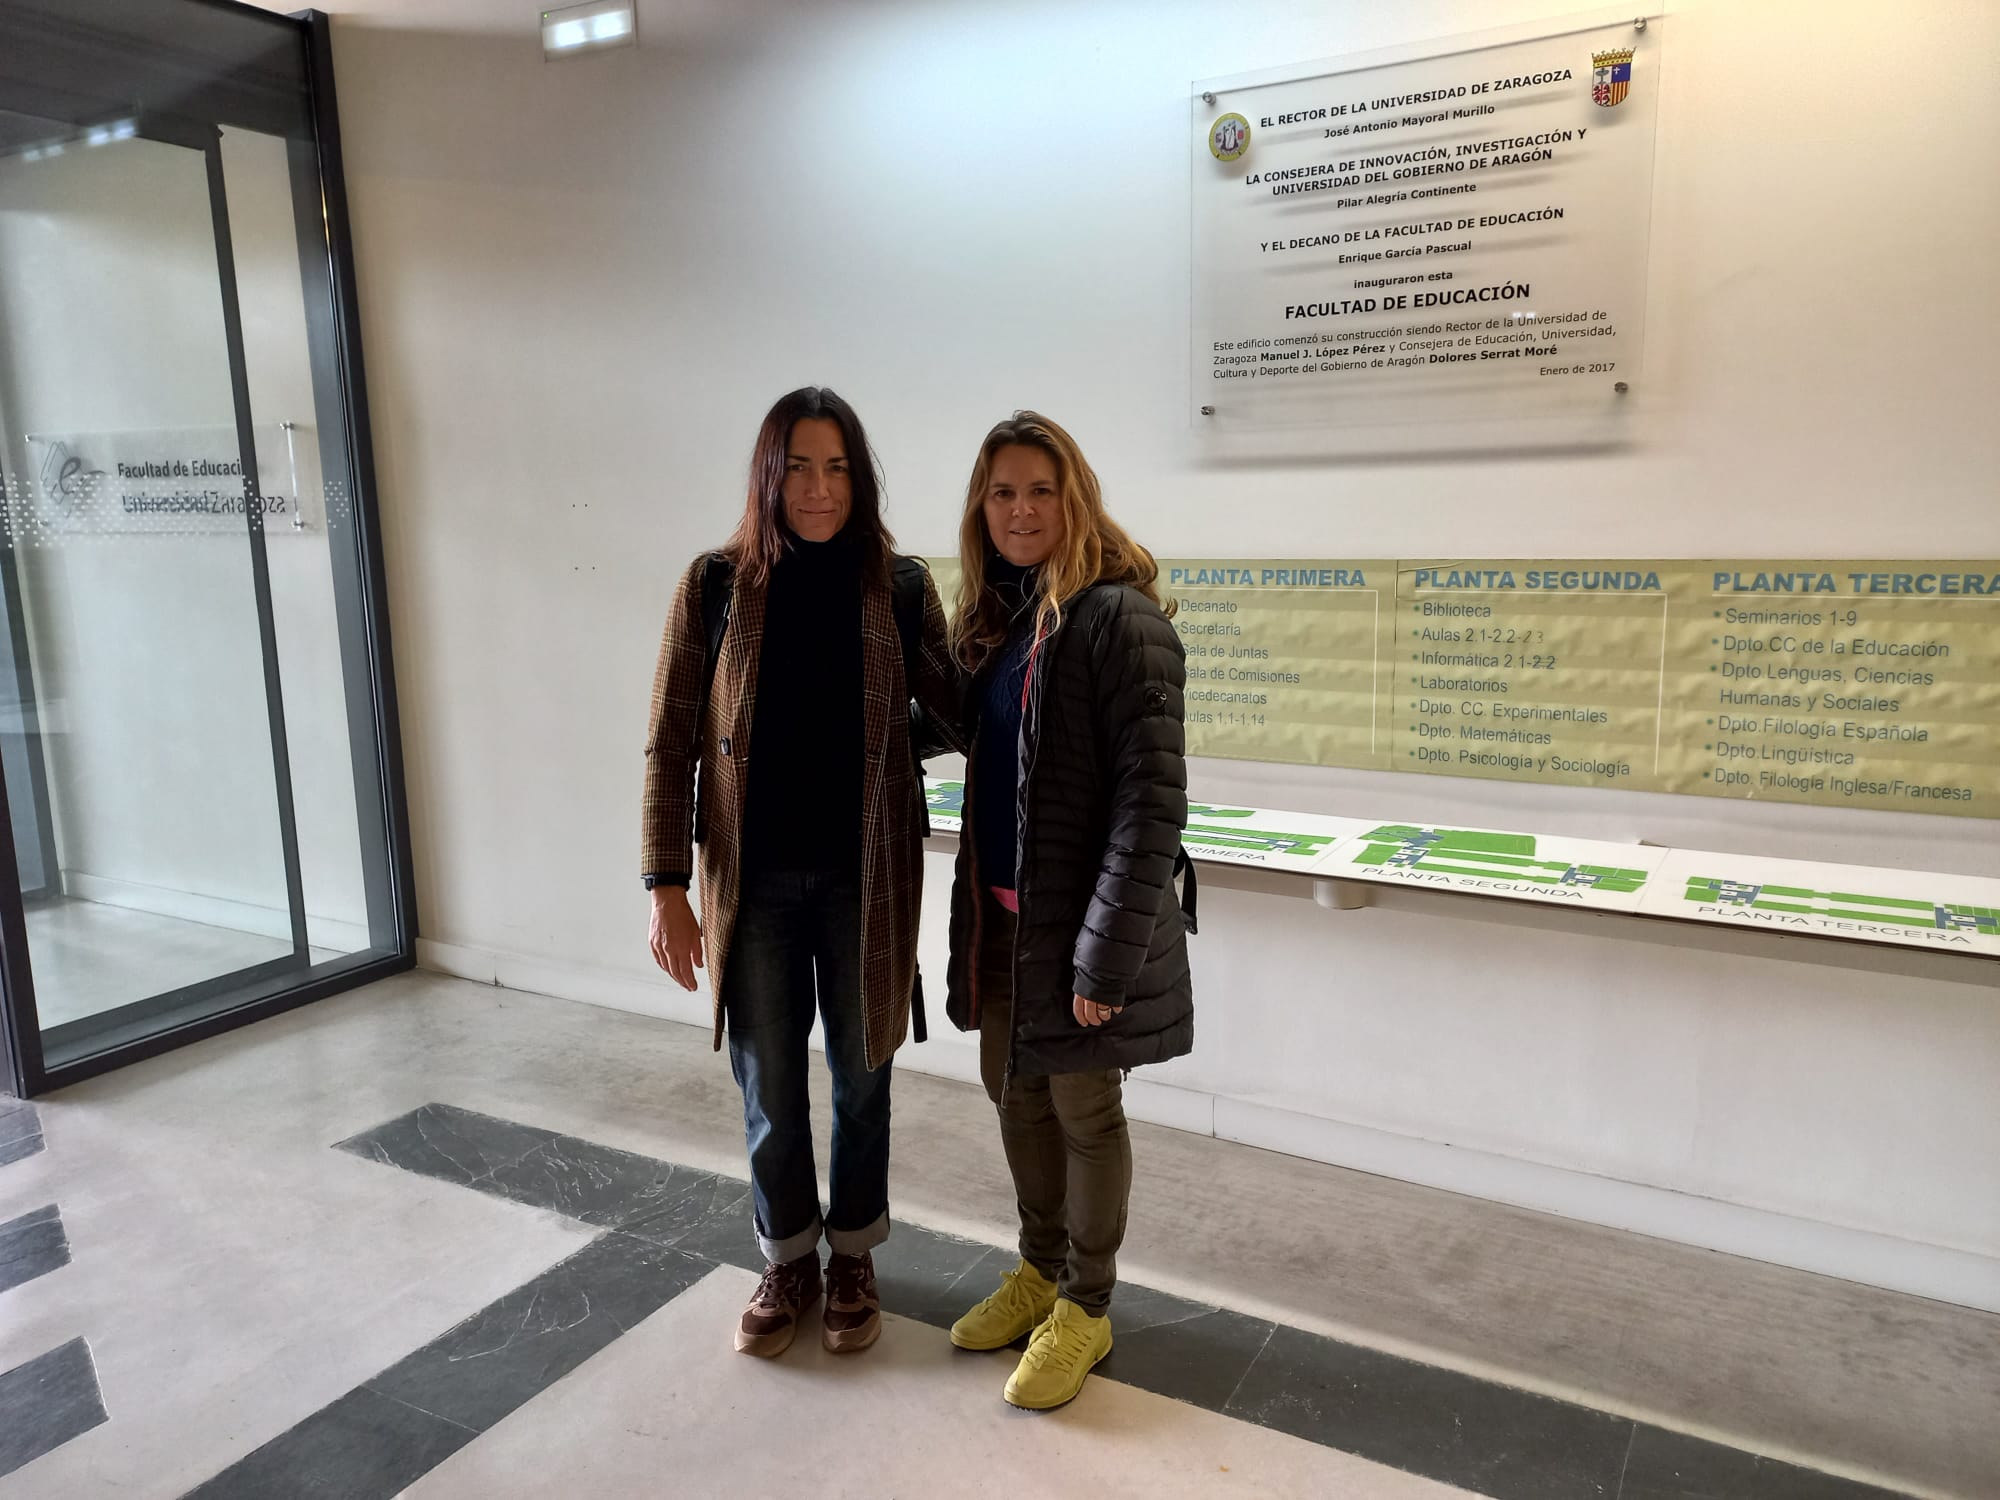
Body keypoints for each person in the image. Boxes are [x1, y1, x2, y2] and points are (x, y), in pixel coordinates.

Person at [641, 386, 960, 1358]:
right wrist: (665, 887)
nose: (819, 489)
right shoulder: (714, 586)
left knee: (863, 1080)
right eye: (800, 468)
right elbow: (669, 741)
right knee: (770, 1086)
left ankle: (852, 1254)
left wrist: (889, 739)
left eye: (838, 468)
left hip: (866, 884)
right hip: (754, 888)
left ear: (860, 480)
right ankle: (787, 1257)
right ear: (768, 477)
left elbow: (956, 708)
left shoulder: (898, 587)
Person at [941, 411, 1194, 1410]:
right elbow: (966, 733)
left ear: (1075, 497)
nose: (1020, 510)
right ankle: (1039, 1271)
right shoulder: (1003, 624)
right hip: (1005, 921)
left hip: (1078, 924)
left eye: (1039, 490)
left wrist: (1104, 956)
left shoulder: (1118, 619)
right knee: (1014, 1092)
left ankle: (1086, 1306)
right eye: (1000, 493)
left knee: (1083, 1109)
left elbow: (1149, 803)